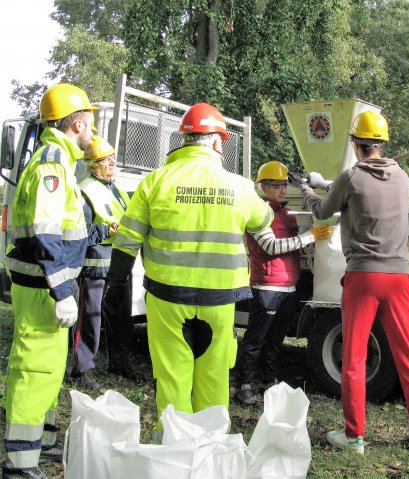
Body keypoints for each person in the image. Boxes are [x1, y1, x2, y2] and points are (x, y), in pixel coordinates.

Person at [102, 102, 274, 442]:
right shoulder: (239, 186)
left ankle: (171, 446)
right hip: (220, 300)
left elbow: (126, 240)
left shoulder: (156, 181)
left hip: (167, 297)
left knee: (172, 374)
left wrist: (116, 284)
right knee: (214, 374)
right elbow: (263, 224)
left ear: (184, 139)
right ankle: (212, 446)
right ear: (216, 141)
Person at [289, 111, 409, 455]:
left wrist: (307, 188)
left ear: (356, 144)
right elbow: (365, 190)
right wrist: (328, 183)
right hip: (398, 276)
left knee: (354, 358)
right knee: (408, 357)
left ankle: (354, 436)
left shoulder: (351, 177)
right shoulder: (402, 178)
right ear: (382, 143)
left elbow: (324, 210)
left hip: (363, 277)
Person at [2, 83, 96, 479]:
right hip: (43, 288)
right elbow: (45, 233)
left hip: (49, 288)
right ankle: (19, 463)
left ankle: (41, 441)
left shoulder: (60, 162)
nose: (93, 131)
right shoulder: (52, 165)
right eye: (90, 123)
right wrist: (61, 290)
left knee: (49, 368)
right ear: (76, 124)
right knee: (35, 371)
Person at [234, 161, 331, 406]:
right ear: (263, 186)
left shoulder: (285, 213)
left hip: (287, 286)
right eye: (276, 185)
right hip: (266, 287)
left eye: (284, 185)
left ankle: (267, 381)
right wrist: (309, 236)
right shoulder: (259, 213)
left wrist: (311, 238)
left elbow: (294, 245)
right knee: (255, 340)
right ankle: (243, 385)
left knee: (275, 341)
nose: (282, 189)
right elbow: (271, 246)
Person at [67, 136, 134, 390]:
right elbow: (79, 231)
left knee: (120, 317)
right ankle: (81, 369)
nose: (113, 162)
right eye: (106, 159)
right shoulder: (84, 191)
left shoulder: (116, 189)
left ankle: (120, 364)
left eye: (113, 157)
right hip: (94, 266)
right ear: (93, 165)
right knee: (89, 319)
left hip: (119, 265)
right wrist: (106, 231)